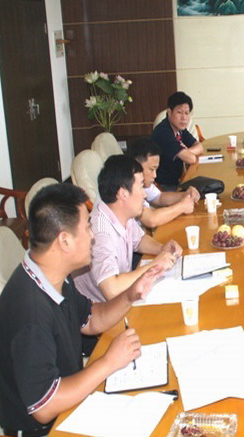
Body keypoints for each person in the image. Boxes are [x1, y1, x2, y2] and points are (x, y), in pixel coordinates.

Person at [0, 183, 164, 437]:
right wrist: (108, 362)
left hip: (70, 403)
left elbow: (91, 319)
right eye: (88, 228)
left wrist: (130, 295)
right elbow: (44, 407)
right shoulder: (30, 312)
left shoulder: (51, 275)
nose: (93, 236)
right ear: (64, 240)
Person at [74, 155, 182, 302]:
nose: (144, 194)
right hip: (103, 309)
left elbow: (139, 240)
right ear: (123, 193)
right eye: (141, 186)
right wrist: (154, 265)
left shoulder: (123, 213)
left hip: (124, 299)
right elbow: (111, 290)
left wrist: (162, 249)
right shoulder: (101, 232)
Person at [128, 138, 200, 228]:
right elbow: (151, 219)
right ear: (136, 165)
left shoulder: (142, 183)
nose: (155, 175)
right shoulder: (127, 187)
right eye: (151, 169)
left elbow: (159, 197)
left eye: (156, 170)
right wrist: (182, 207)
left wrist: (185, 195)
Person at [152, 91, 204, 190]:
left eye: (187, 113)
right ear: (169, 112)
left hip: (176, 180)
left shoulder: (179, 129)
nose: (184, 117)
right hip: (163, 186)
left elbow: (200, 147)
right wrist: (186, 153)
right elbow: (191, 159)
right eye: (179, 112)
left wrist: (186, 151)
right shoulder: (163, 132)